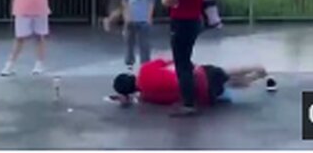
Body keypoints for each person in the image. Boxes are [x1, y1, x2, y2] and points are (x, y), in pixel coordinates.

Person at [111, 58, 277, 110]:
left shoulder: (147, 97)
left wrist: (128, 99)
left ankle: (254, 78)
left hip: (204, 95)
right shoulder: (145, 69)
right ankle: (256, 68)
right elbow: (171, 59)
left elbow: (172, 100)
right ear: (130, 75)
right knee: (226, 73)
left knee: (230, 85)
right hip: (198, 74)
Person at [156, 0, 205, 116]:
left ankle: (188, 103)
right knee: (186, 60)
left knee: (181, 63)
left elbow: (169, 0)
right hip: (194, 18)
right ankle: (190, 95)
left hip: (183, 21)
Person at [118, 0, 156, 71]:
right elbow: (124, 0)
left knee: (144, 44)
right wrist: (126, 16)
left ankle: (145, 66)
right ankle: (129, 63)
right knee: (129, 42)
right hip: (131, 17)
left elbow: (151, 0)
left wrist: (149, 16)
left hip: (143, 17)